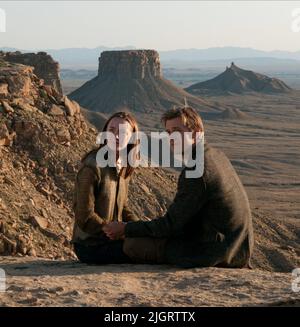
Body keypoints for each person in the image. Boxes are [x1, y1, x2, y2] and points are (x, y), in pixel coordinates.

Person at [103, 106, 254, 269]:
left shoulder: (196, 172)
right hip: (237, 247)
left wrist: (126, 228)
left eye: (177, 131)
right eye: (168, 132)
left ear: (195, 133)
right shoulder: (215, 155)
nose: (171, 137)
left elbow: (171, 225)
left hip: (215, 252)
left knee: (133, 245)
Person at [72, 111, 140, 264]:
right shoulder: (92, 167)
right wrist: (114, 232)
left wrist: (137, 228)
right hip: (90, 246)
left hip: (112, 241)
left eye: (123, 132)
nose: (116, 135)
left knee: (148, 242)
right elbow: (84, 215)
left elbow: (122, 207)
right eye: (112, 130)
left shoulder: (123, 166)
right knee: (147, 250)